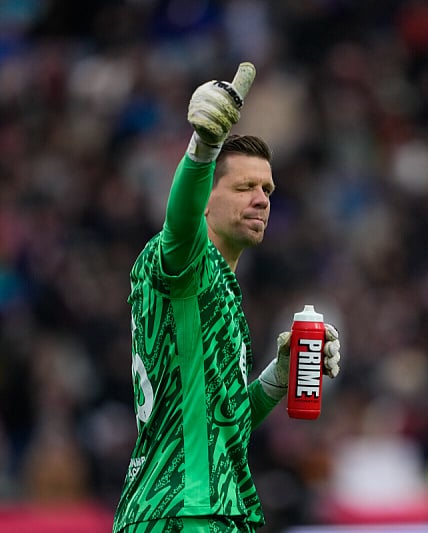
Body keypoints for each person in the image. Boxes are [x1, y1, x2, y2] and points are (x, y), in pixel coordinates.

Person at [112, 62, 342, 533]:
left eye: (267, 189)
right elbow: (178, 225)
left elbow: (222, 422)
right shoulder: (181, 261)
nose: (262, 199)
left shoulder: (219, 286)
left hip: (206, 507)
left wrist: (279, 378)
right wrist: (203, 148)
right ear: (206, 201)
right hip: (184, 510)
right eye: (244, 187)